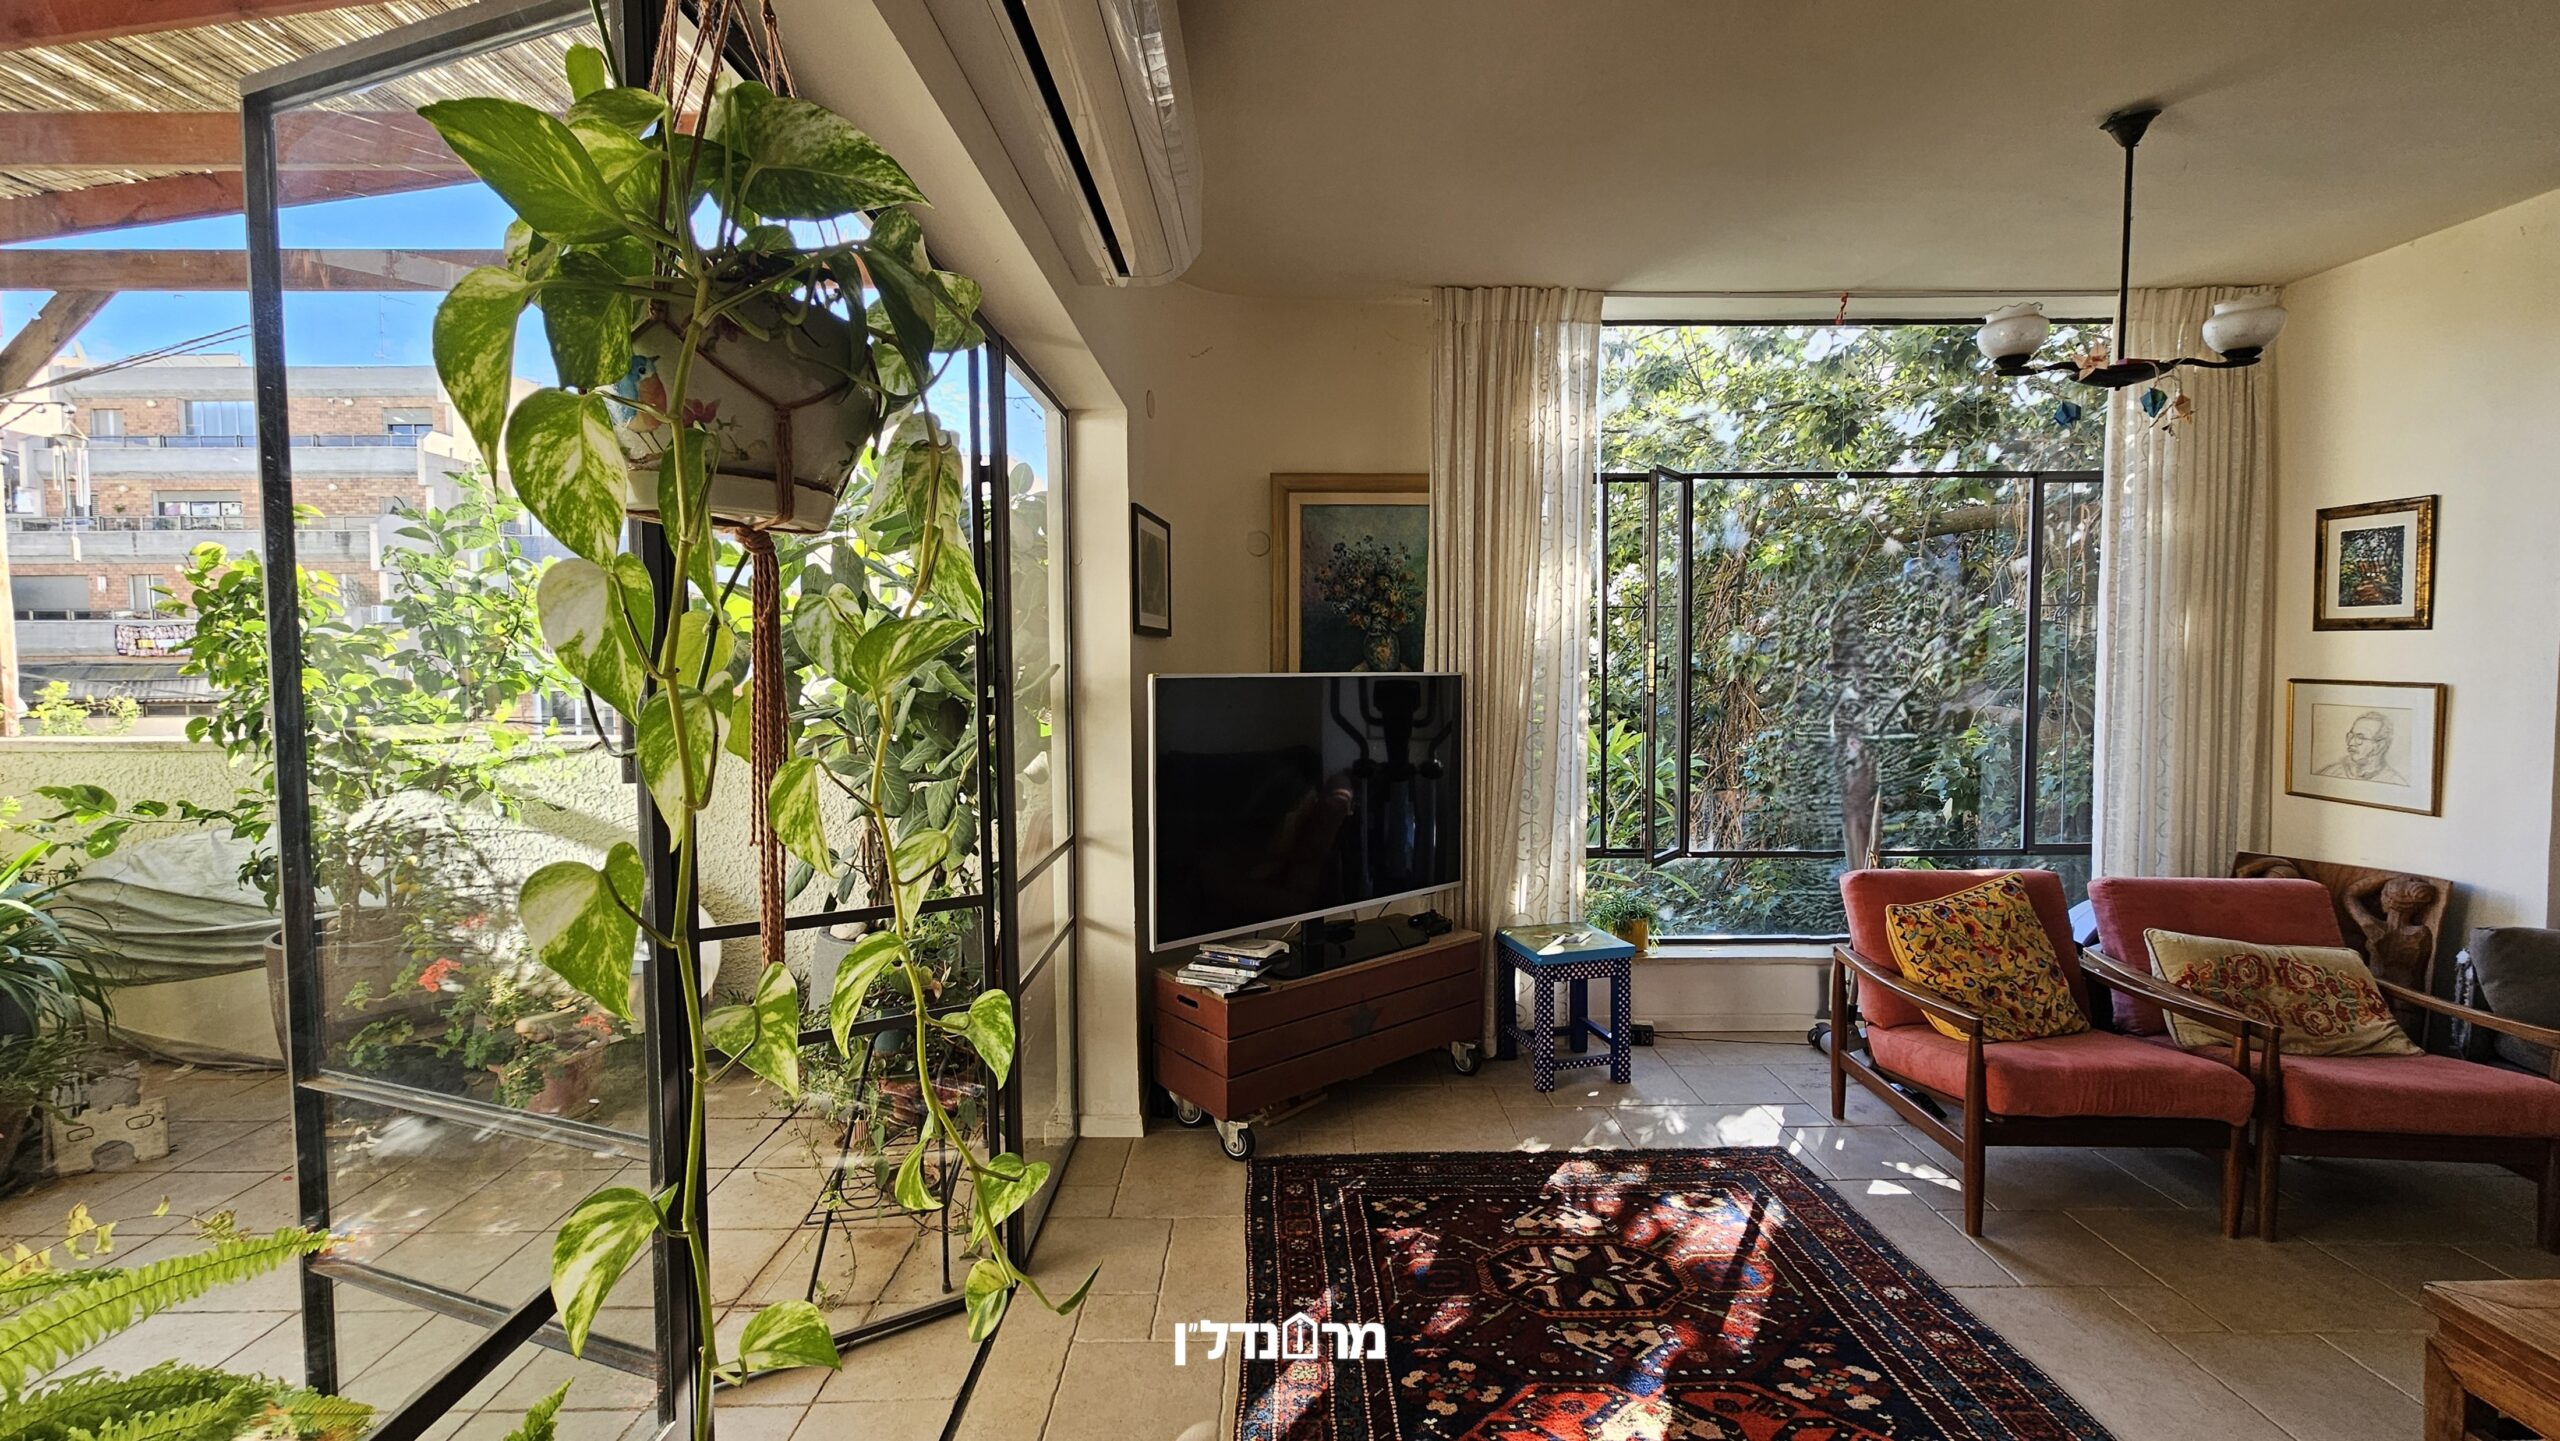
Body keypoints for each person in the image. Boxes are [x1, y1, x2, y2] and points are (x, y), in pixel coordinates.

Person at [2315, 710, 2408, 786]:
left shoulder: (2394, 783)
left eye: (2361, 738)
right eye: (2351, 736)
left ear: (2379, 746)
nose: (2351, 743)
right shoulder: (2330, 773)